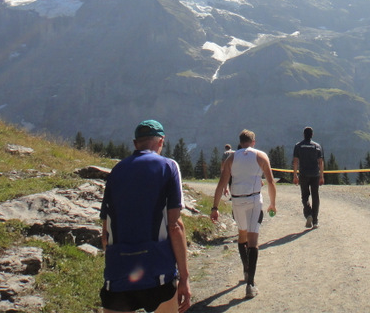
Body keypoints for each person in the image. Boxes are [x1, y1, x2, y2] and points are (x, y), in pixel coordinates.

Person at [99, 120, 191, 313]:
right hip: (157, 271)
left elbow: (105, 233)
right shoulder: (168, 166)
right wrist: (184, 277)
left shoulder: (116, 172)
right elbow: (175, 226)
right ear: (161, 141)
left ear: (135, 144)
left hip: (118, 273)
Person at [210, 129, 277, 299]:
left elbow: (221, 184)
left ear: (240, 143)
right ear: (253, 142)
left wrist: (215, 207)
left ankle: (246, 269)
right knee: (253, 240)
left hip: (237, 201)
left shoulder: (231, 158)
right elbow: (270, 181)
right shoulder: (261, 156)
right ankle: (250, 284)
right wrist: (273, 204)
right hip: (254, 199)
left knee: (242, 236)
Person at [292, 126, 324, 228]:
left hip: (303, 175)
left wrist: (295, 175)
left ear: (303, 135)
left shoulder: (298, 146)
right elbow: (320, 162)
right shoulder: (317, 146)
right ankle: (315, 221)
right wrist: (321, 176)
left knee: (305, 196)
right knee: (315, 197)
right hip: (315, 174)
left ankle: (308, 214)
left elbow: (295, 161)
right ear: (312, 135)